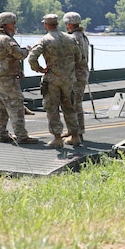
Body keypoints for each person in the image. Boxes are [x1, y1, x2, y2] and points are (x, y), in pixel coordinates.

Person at [28, 14, 83, 148]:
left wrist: (39, 69)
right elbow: (79, 57)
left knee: (52, 108)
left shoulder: (45, 40)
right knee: (69, 107)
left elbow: (31, 58)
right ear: (57, 24)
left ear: (46, 25)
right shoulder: (70, 38)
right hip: (69, 80)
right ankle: (75, 136)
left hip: (52, 80)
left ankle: (57, 138)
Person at [0, 12, 39, 144]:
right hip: (7, 78)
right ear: (6, 24)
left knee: (2, 106)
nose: (15, 25)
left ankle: (1, 134)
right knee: (16, 104)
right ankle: (22, 136)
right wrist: (28, 49)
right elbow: (19, 54)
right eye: (13, 23)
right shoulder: (6, 39)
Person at [64, 11, 90, 141]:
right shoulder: (83, 36)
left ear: (69, 24)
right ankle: (72, 130)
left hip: (75, 75)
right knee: (75, 103)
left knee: (74, 104)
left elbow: (71, 58)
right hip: (82, 73)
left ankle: (77, 133)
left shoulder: (73, 38)